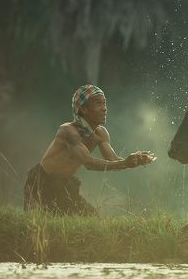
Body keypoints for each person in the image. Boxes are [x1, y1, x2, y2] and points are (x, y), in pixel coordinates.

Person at [23, 84, 155, 215]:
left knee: (91, 219)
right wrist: (125, 163)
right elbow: (89, 163)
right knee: (41, 224)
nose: (104, 109)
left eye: (104, 103)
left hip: (65, 184)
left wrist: (135, 160)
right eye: (98, 104)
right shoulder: (68, 131)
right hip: (42, 183)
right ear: (84, 109)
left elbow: (113, 160)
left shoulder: (101, 133)